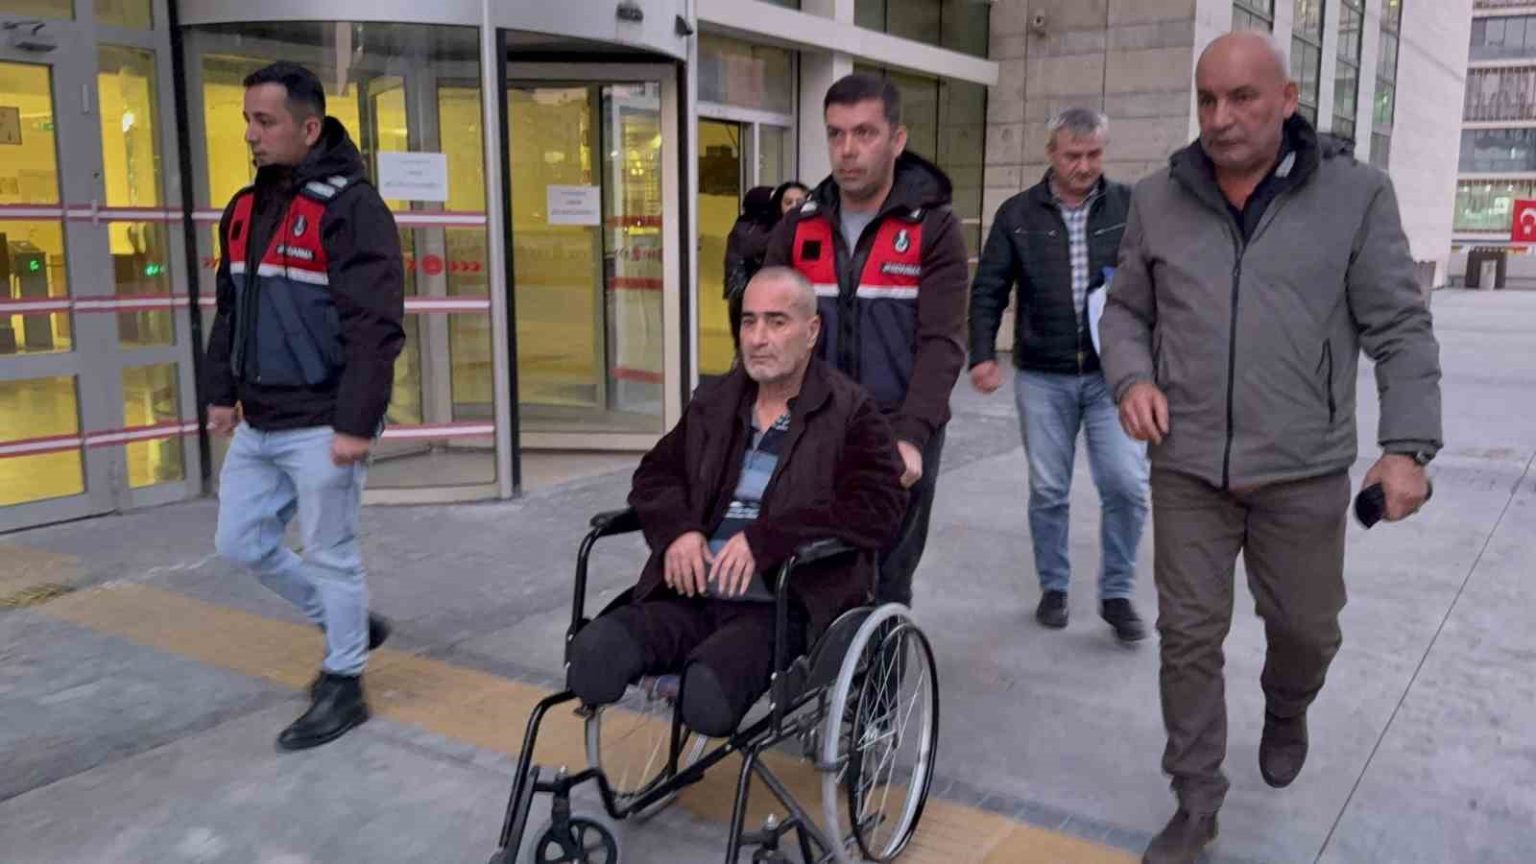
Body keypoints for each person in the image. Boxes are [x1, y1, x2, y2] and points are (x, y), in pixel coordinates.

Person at [1099, 33, 1443, 863]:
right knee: (1187, 638)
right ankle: (1195, 800)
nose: (1220, 118)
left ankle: (1288, 705)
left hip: (1303, 469)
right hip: (1188, 465)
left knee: (1306, 629)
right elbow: (1125, 311)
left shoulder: (1355, 196)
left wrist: (1408, 446)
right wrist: (1132, 378)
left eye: (1242, 97)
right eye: (1207, 99)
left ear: (1287, 99)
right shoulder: (1159, 199)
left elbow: (1399, 326)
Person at [565, 267, 907, 736]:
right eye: (749, 321)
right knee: (592, 656)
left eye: (776, 322)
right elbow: (655, 475)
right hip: (689, 595)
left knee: (706, 697)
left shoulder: (849, 410)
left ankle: (709, 680)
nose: (758, 338)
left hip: (779, 606)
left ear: (811, 331)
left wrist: (768, 540)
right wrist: (678, 531)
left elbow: (880, 507)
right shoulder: (717, 400)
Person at [205, 61, 405, 751]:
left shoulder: (352, 208)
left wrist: (355, 423)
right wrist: (220, 393)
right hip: (260, 420)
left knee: (331, 553)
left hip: (323, 422)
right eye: (247, 121)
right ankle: (350, 623)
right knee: (239, 542)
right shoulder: (243, 208)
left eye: (265, 122)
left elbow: (375, 325)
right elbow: (230, 308)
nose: (251, 135)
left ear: (309, 127)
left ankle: (345, 683)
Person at [764, 73, 969, 607]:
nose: (847, 150)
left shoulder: (933, 228)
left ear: (896, 140)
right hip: (815, 424)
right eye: (835, 134)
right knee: (809, 569)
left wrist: (912, 435)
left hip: (897, 425)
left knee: (886, 579)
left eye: (864, 133)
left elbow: (942, 343)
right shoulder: (798, 228)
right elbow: (766, 332)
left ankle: (881, 660)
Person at [968, 107, 1149, 641]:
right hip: (1043, 375)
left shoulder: (1130, 207)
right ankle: (1054, 586)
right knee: (1049, 488)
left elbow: (1161, 279)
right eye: (1073, 155)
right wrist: (981, 353)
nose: (1084, 166)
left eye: (1094, 154)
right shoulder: (1018, 214)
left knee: (1127, 484)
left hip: (1113, 375)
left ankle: (1117, 593)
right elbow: (989, 288)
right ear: (1051, 153)